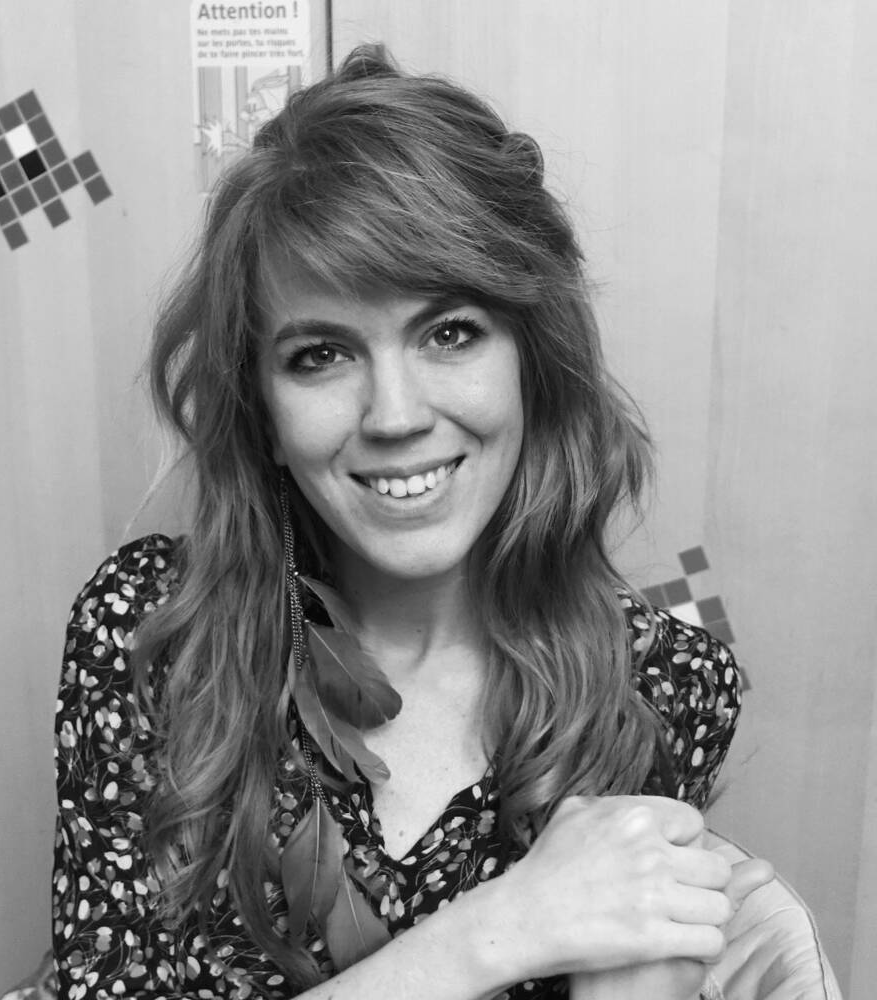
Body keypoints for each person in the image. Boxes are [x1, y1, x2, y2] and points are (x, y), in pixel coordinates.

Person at [51, 45, 772, 1000]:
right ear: (263, 415)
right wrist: (500, 931)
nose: (393, 415)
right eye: (320, 355)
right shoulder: (155, 633)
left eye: (450, 333)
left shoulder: (661, 690)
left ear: (533, 362)